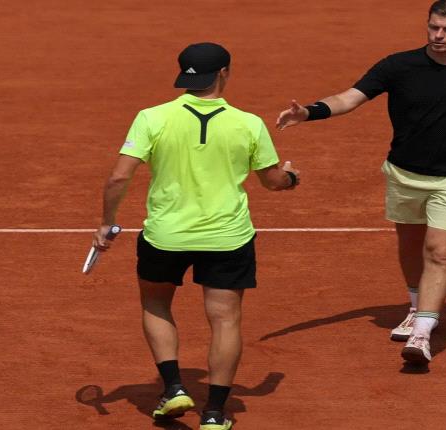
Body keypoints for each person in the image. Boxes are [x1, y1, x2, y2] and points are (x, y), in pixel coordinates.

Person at [276, 0, 446, 365]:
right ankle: (416, 307)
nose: (438, 35)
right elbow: (349, 98)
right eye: (433, 27)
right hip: (404, 174)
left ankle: (422, 334)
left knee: (439, 252)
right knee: (410, 246)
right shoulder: (398, 65)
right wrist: (310, 112)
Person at [93, 42, 300, 429]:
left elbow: (119, 177)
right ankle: (215, 414)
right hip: (227, 238)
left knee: (155, 303)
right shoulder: (248, 123)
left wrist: (107, 221)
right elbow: (273, 181)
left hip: (165, 236)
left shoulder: (152, 117)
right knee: (225, 320)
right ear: (224, 73)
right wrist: (291, 178)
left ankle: (173, 389)